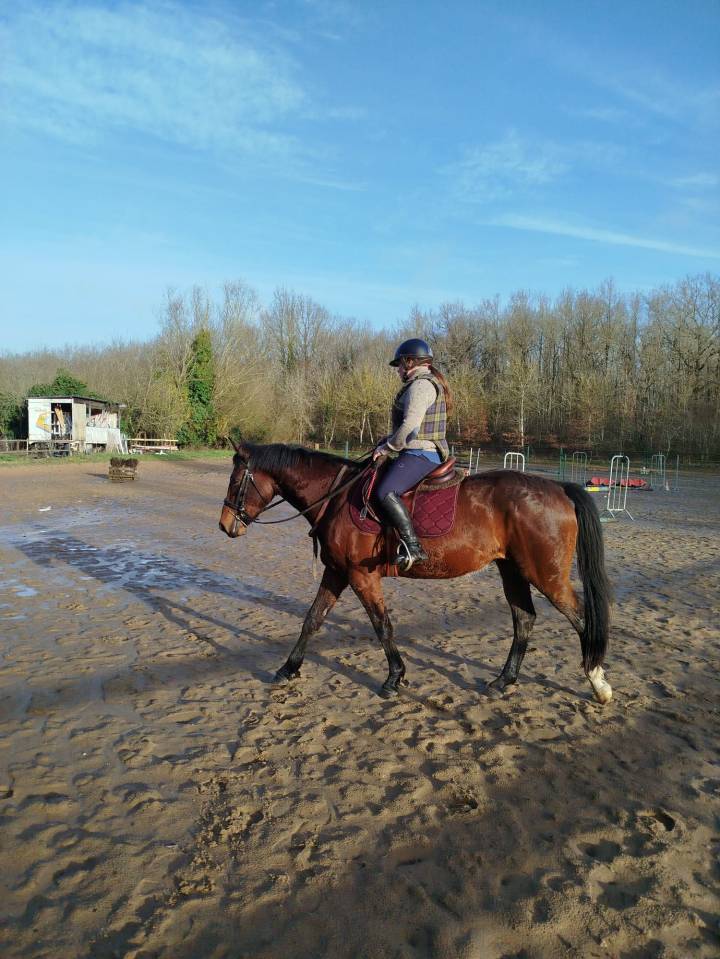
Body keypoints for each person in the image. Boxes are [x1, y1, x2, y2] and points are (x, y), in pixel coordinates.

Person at [372, 338, 453, 571]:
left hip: (423, 452)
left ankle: (412, 546)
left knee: (386, 491)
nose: (397, 369)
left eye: (399, 364)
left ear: (410, 362)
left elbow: (410, 428)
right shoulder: (420, 383)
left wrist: (387, 448)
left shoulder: (421, 386)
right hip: (416, 449)